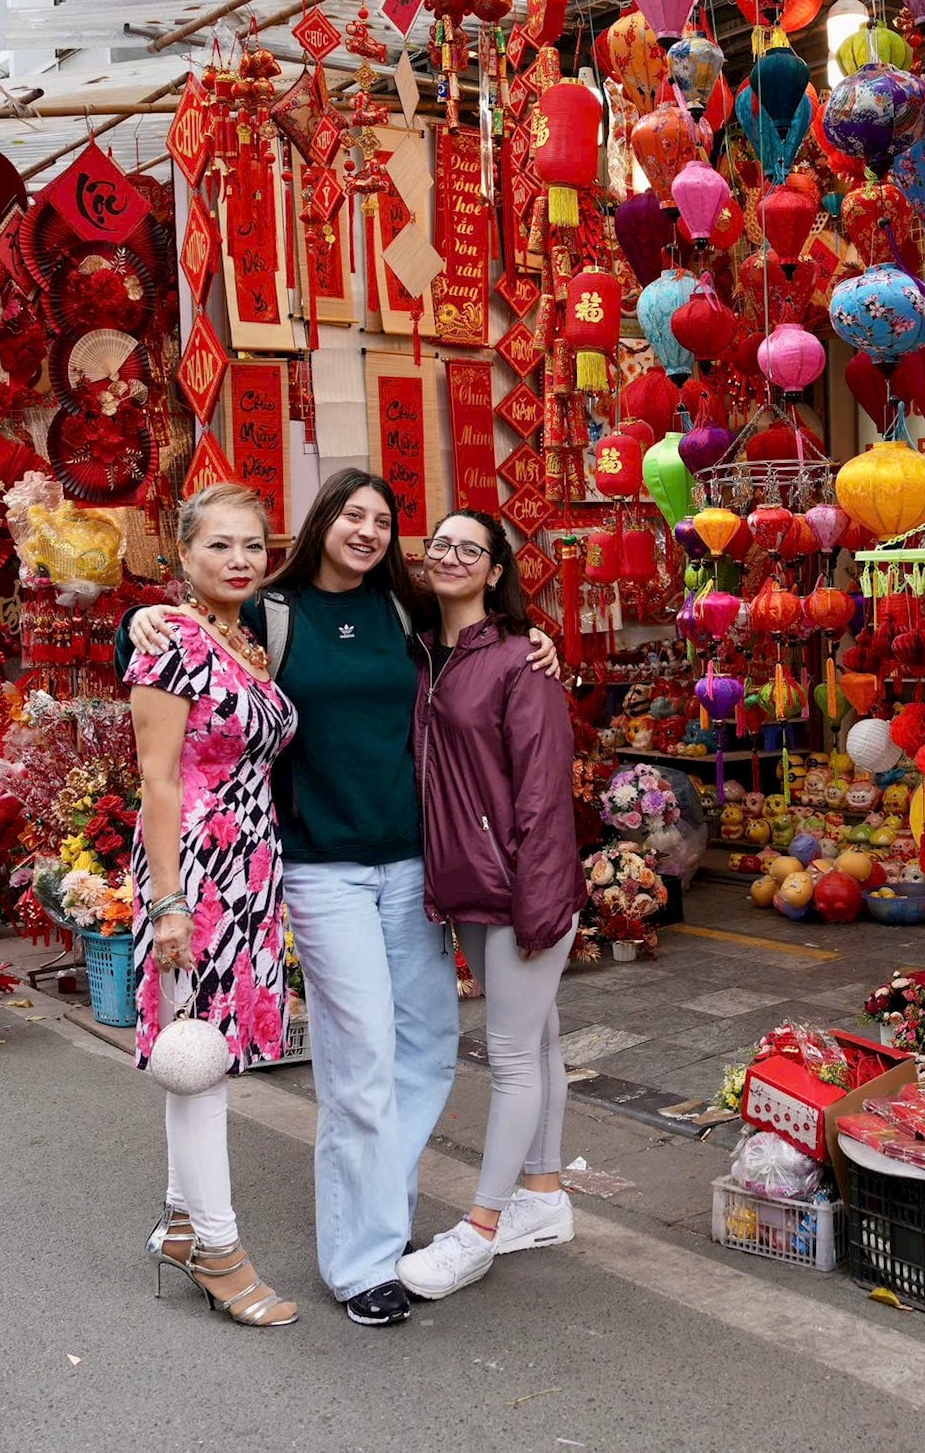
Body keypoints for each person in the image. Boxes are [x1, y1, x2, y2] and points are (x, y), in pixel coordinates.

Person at [125, 470, 560, 1328]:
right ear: (322, 521)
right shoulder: (269, 610)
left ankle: (378, 1217)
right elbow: (176, 654)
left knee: (431, 1047)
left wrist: (542, 643)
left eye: (383, 519)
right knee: (359, 1060)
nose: (367, 530)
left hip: (410, 864)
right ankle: (362, 1261)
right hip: (321, 867)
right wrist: (133, 619)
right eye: (351, 515)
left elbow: (488, 642)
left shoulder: (407, 614)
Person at [398, 509, 580, 1301]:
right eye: (440, 544)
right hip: (467, 880)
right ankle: (542, 1196)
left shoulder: (519, 660)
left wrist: (540, 897)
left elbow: (544, 788)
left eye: (470, 548)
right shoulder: (420, 652)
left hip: (518, 886)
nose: (451, 556)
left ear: (496, 571)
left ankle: (479, 1227)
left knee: (508, 1056)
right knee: (537, 1043)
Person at [130, 483, 299, 1329]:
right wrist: (168, 902)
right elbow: (157, 777)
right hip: (193, 866)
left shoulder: (245, 640)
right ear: (184, 556)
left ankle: (183, 1224)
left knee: (203, 1051)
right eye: (219, 546)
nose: (239, 560)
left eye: (252, 547)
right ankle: (221, 1255)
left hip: (251, 865)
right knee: (201, 1061)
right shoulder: (173, 643)